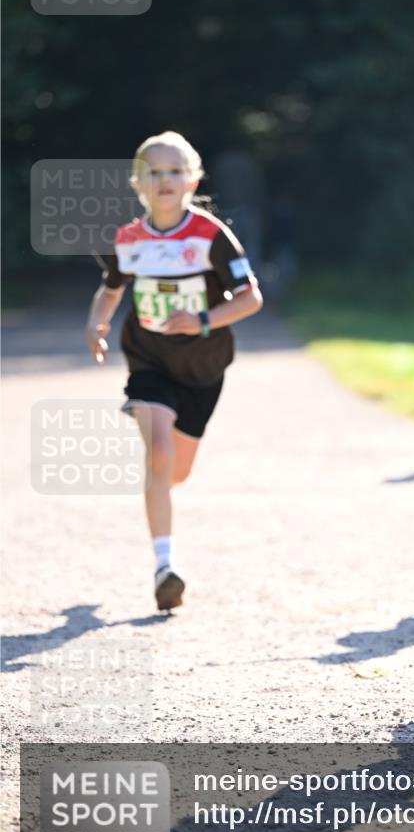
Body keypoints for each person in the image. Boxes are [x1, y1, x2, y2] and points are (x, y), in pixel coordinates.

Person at [85, 131, 263, 611]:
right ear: (138, 183)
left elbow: (251, 298)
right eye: (154, 172)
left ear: (193, 179)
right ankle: (165, 567)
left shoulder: (210, 235)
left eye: (175, 171)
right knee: (159, 456)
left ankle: (160, 487)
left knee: (175, 471)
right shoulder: (128, 240)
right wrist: (97, 321)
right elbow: (112, 287)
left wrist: (201, 320)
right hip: (148, 360)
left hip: (204, 367)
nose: (165, 180)